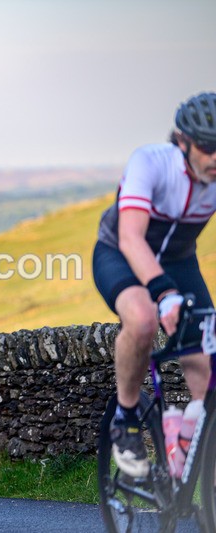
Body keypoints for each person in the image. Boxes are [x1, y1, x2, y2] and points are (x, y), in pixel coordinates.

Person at [93, 92, 216, 478]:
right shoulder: (150, 162)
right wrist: (163, 293)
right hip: (121, 254)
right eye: (207, 147)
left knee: (207, 362)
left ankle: (192, 467)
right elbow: (131, 237)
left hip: (179, 261)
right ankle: (126, 418)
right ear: (183, 141)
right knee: (144, 319)